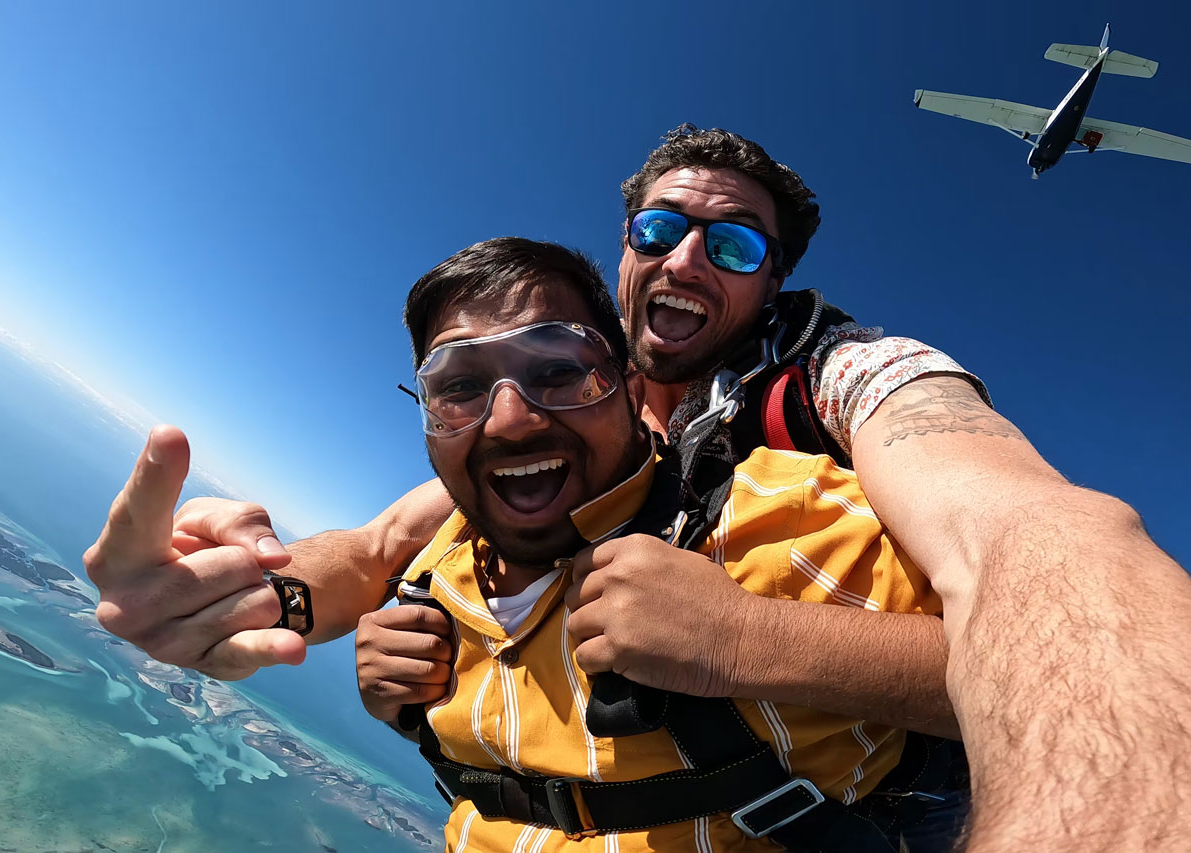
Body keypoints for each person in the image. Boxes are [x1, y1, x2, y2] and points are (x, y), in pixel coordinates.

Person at [85, 127, 1191, 851]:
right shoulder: (558, 387)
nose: (683, 262)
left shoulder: (846, 382)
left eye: (733, 246)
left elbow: (1029, 537)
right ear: (623, 247)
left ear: (772, 284)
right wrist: (261, 598)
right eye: (660, 229)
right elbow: (381, 545)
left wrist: (744, 639)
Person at [354, 236, 966, 851]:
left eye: (560, 370)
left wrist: (746, 637)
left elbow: (1050, 663)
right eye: (458, 387)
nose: (511, 419)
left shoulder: (778, 525)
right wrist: (405, 705)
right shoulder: (438, 561)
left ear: (629, 384)